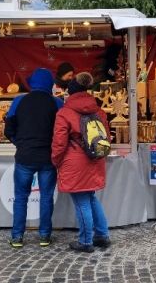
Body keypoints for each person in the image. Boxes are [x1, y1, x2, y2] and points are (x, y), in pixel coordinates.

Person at [51, 72, 111, 253]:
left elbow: (59, 143)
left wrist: (56, 160)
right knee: (91, 197)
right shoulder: (99, 111)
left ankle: (85, 241)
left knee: (81, 201)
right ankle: (102, 235)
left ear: (71, 92)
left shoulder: (64, 113)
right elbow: (107, 137)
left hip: (75, 162)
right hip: (95, 159)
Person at [4, 68, 63, 248]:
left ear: (32, 83)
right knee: (46, 197)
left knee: (21, 198)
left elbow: (8, 129)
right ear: (50, 84)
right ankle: (44, 236)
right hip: (48, 158)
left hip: (25, 157)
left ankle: (17, 237)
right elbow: (62, 132)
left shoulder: (19, 100)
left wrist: (19, 144)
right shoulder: (57, 103)